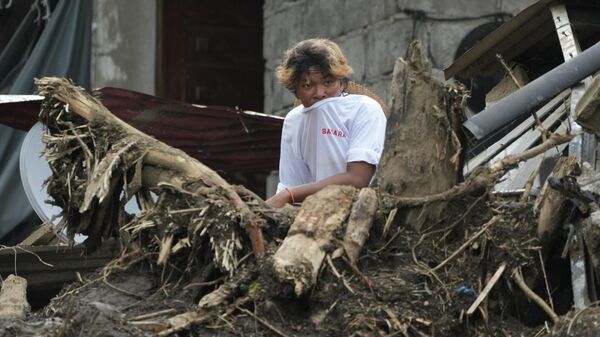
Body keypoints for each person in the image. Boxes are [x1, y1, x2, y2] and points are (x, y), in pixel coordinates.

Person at [266, 38, 387, 208]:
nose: (320, 93)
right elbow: (291, 184)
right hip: (313, 216)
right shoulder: (294, 121)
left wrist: (290, 195)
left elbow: (359, 179)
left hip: (364, 211)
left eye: (328, 82)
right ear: (296, 90)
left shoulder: (364, 109)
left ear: (341, 82)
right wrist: (286, 197)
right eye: (307, 85)